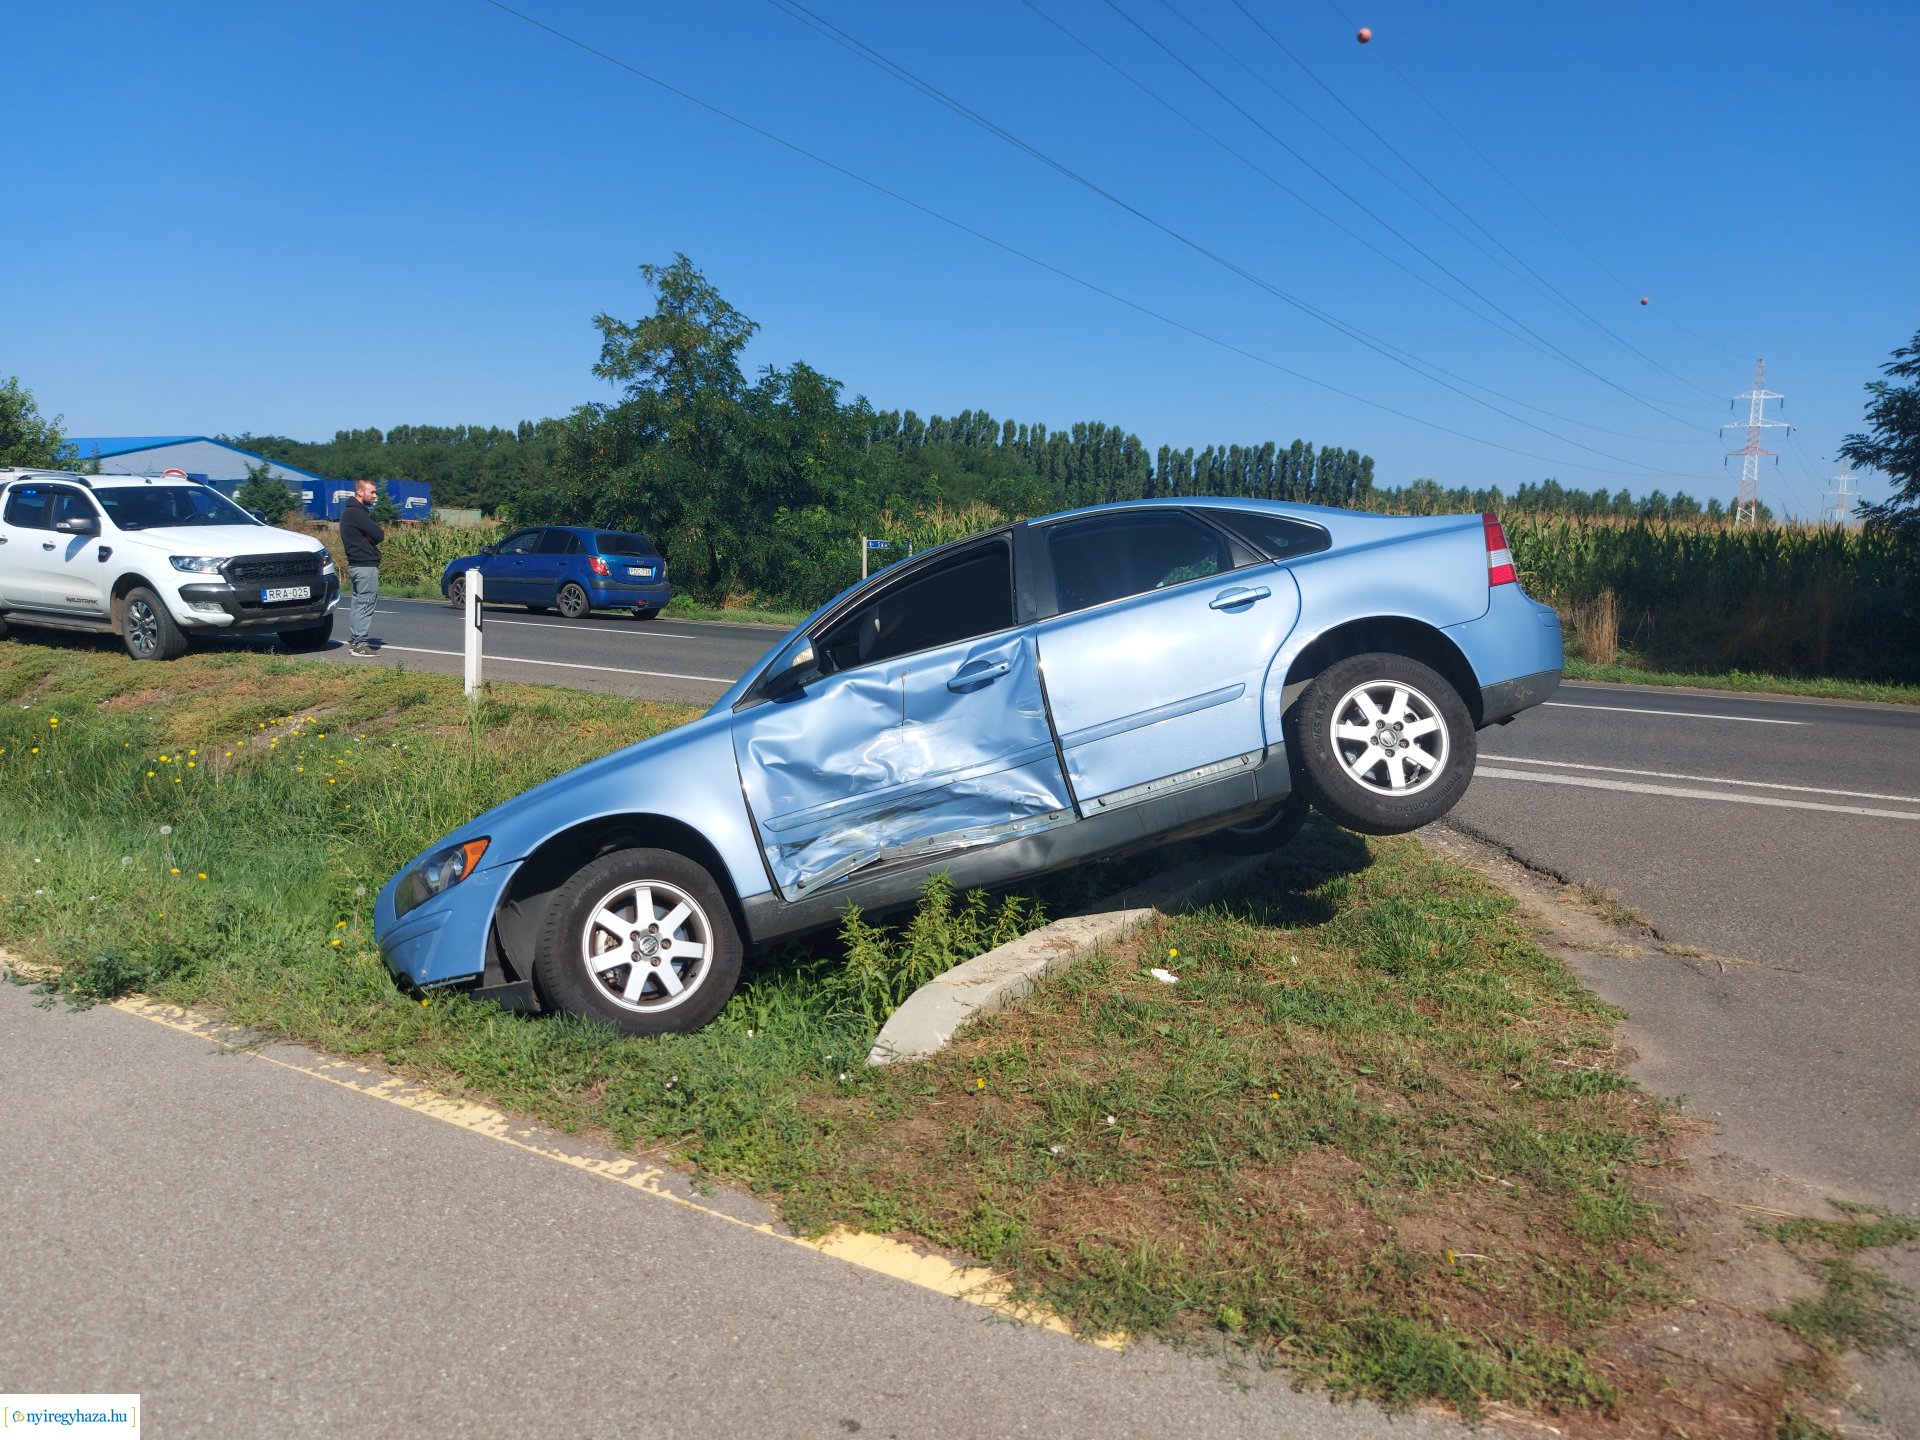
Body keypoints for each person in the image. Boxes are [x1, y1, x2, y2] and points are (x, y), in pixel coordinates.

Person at [339, 478, 385, 656]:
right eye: (372, 492)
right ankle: (360, 643)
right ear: (360, 492)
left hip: (357, 566)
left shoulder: (351, 513)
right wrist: (370, 538)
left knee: (358, 604)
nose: (375, 496)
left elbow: (372, 535)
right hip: (365, 566)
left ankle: (356, 639)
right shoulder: (357, 513)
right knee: (365, 604)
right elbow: (378, 535)